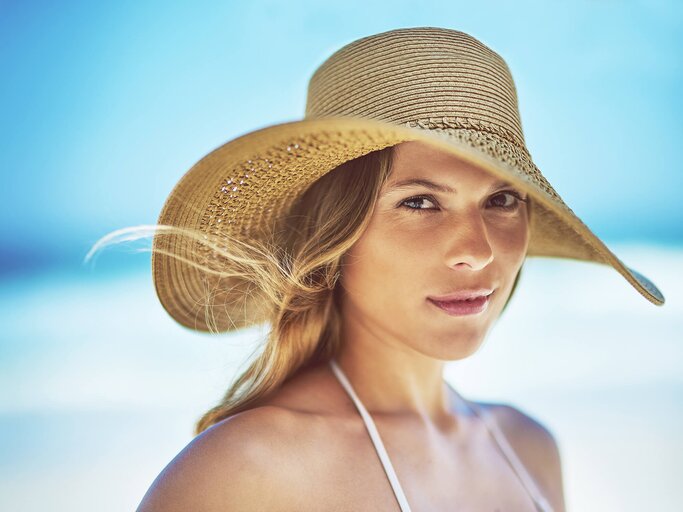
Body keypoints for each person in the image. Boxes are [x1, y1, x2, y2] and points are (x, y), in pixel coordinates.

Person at [89, 26, 665, 511]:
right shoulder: (245, 472)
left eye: (501, 200)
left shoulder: (531, 447)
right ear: (335, 235)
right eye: (419, 203)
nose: (479, 250)